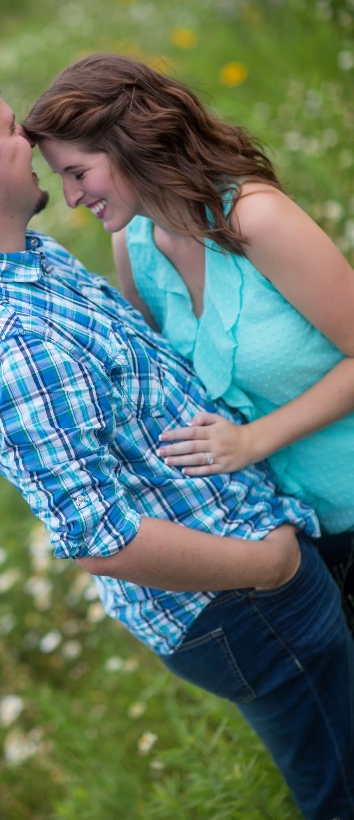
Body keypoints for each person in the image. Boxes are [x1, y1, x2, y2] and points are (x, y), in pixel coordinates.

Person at [0, 62, 354, 820]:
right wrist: (272, 562)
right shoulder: (3, 339)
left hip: (275, 532)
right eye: (11, 134)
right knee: (342, 791)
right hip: (243, 592)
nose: (28, 143)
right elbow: (98, 536)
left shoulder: (25, 259)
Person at [23, 51, 354, 630]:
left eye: (77, 172)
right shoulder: (135, 247)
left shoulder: (256, 219)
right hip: (298, 531)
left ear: (129, 144)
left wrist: (253, 440)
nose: (71, 198)